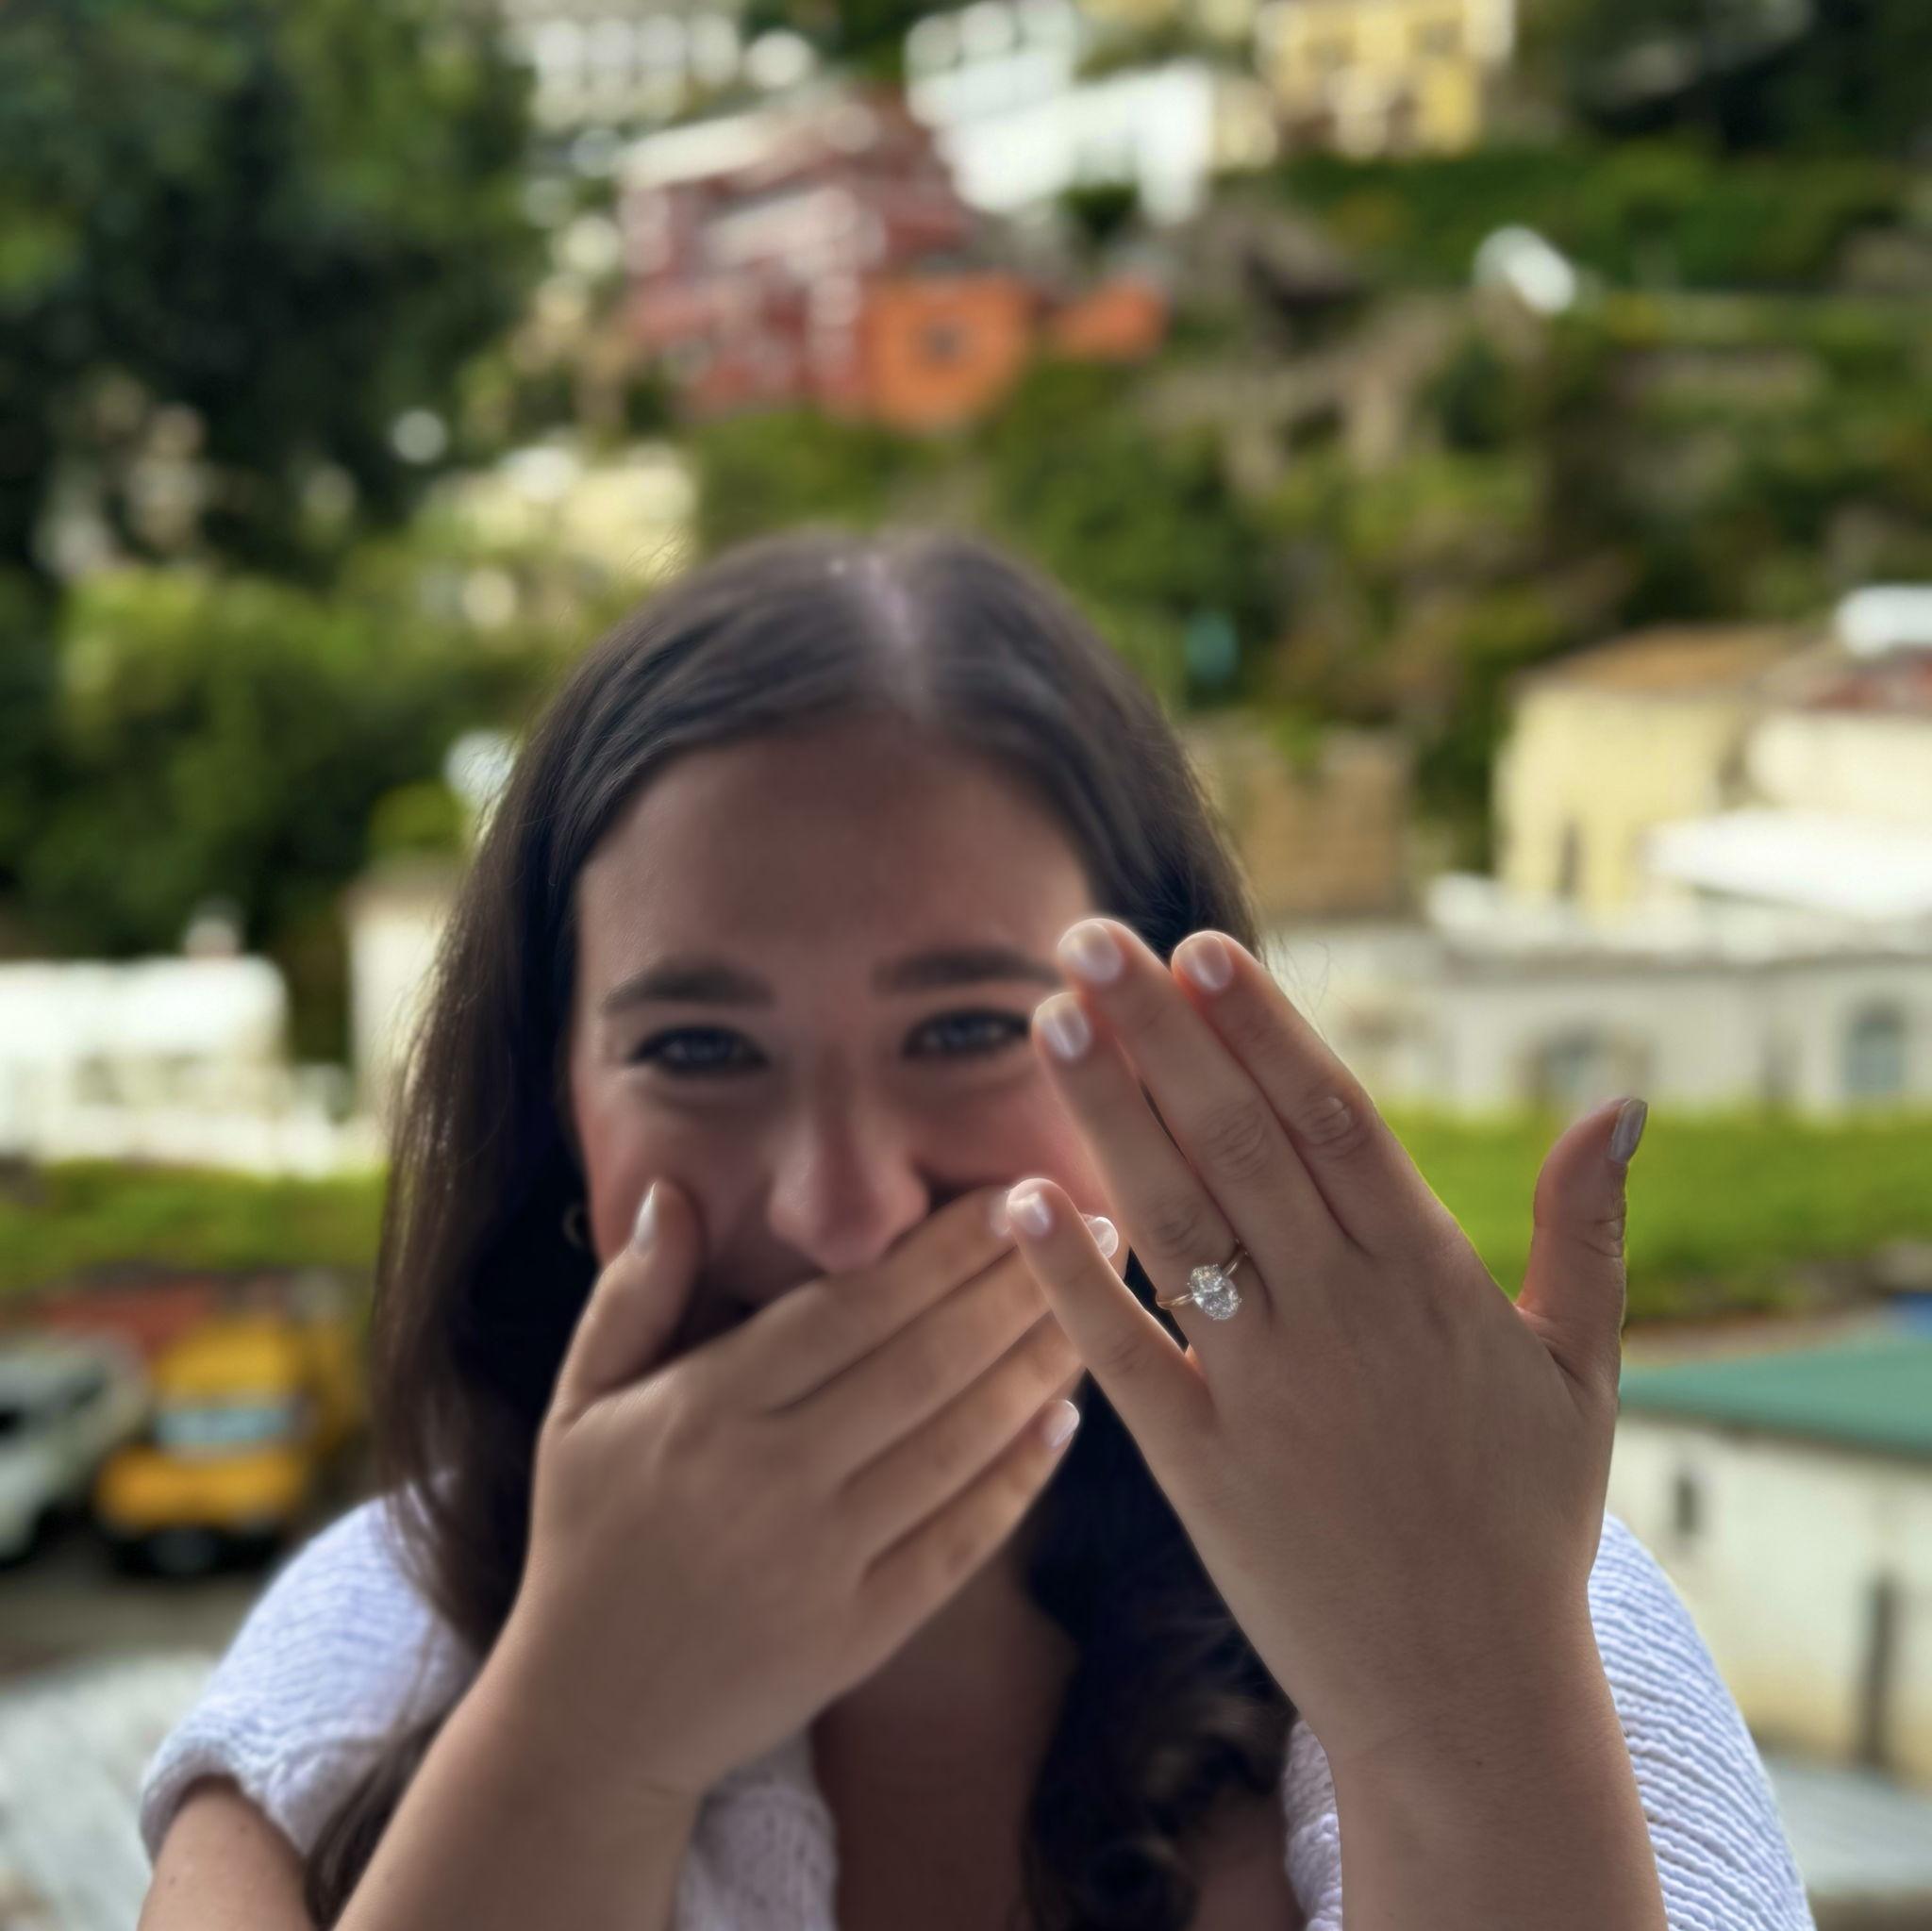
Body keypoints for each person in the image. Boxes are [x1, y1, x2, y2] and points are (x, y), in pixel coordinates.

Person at [135, 526, 1815, 1931]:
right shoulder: (369, 1653)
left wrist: (1467, 1713)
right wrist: (578, 1742)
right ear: (554, 1112)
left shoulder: (1505, 1595)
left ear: (1172, 1067)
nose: (847, 1209)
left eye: (963, 1031)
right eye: (699, 1050)